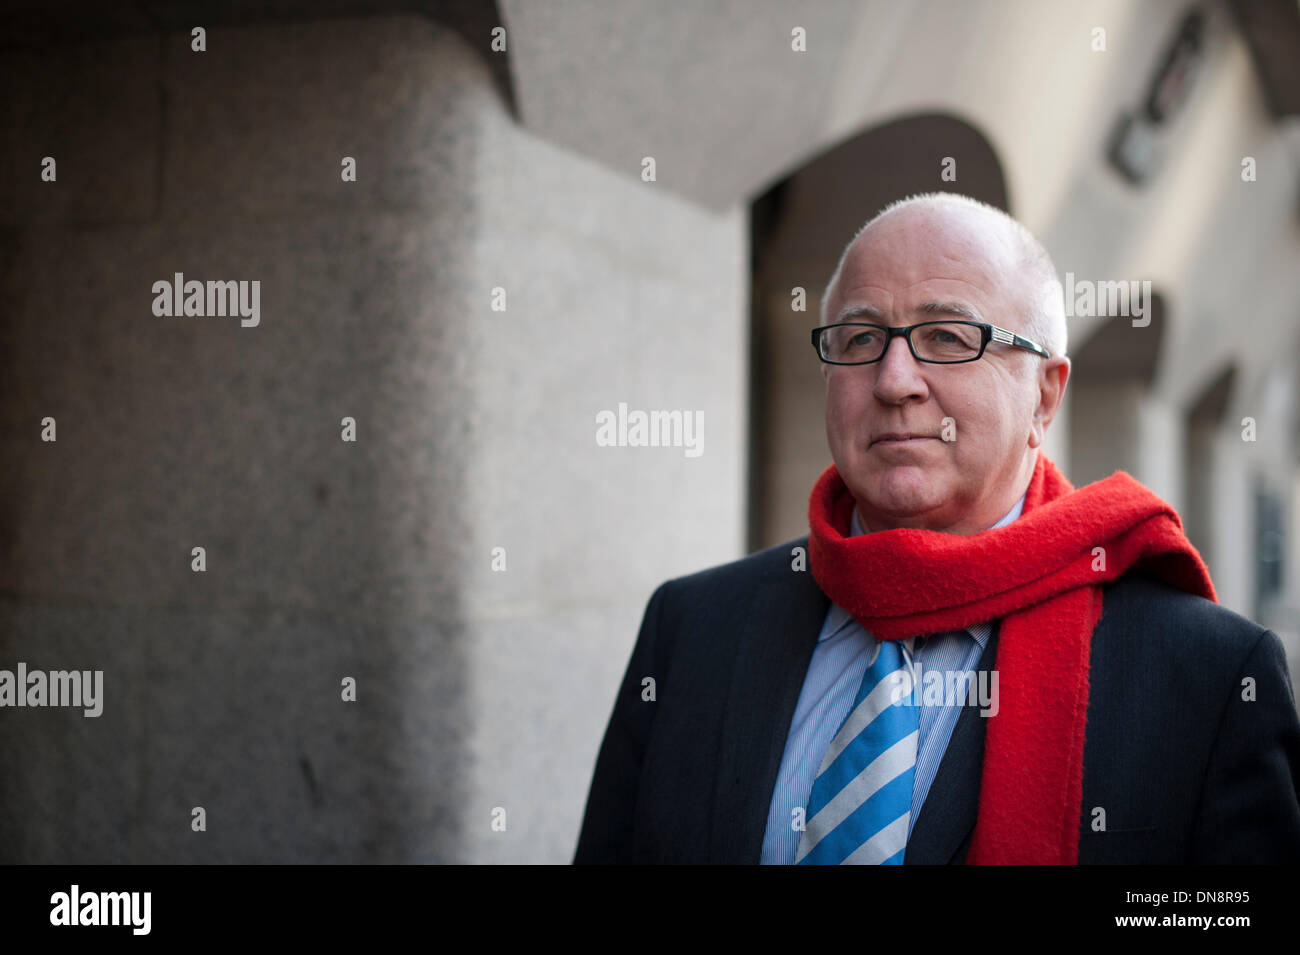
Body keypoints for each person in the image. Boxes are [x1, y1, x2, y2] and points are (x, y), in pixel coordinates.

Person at [573, 192, 1300, 864]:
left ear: (1045, 396)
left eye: (947, 337)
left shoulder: (1205, 678)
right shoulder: (691, 628)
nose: (894, 381)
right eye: (860, 339)